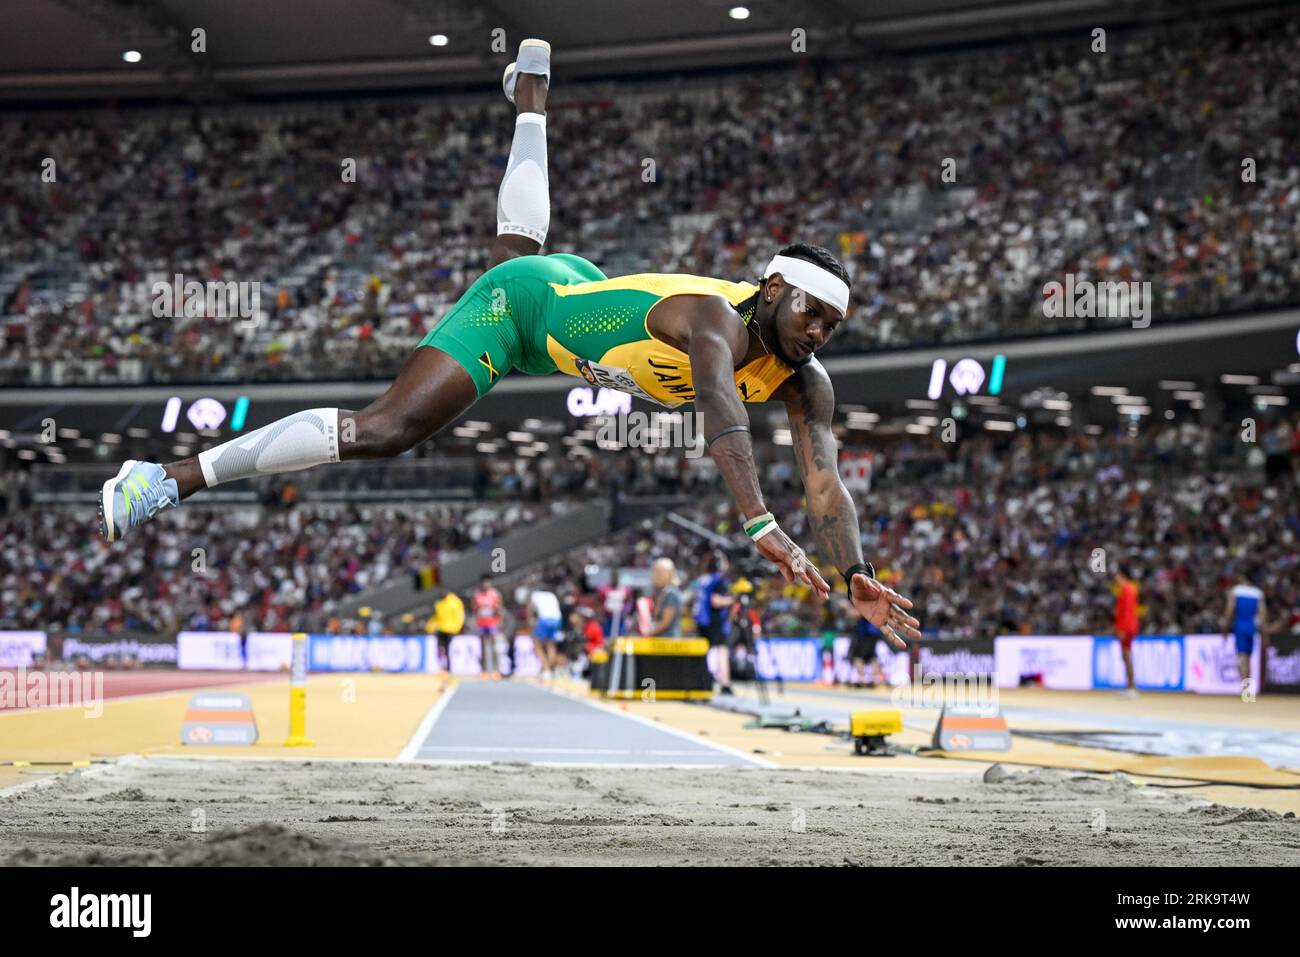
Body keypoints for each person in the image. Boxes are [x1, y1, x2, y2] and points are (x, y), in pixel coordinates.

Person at [97, 37, 921, 651]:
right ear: (772, 287)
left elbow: (827, 488)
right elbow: (719, 418)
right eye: (812, 313)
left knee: (518, 241)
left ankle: (530, 98)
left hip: (582, 299)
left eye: (832, 328)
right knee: (387, 430)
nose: (818, 335)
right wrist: (756, 526)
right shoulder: (715, 319)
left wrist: (853, 572)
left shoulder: (805, 380)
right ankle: (166, 477)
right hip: (526, 314)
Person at [695, 553, 736, 694]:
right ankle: (725, 683)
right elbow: (716, 601)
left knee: (706, 650)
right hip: (714, 620)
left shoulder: (703, 579)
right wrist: (733, 600)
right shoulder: (718, 580)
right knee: (722, 650)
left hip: (702, 620)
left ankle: (703, 680)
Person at [1223, 570, 1266, 697]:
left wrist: (1225, 628)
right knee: (1248, 658)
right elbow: (1263, 613)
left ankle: (1245, 689)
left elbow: (1229, 611)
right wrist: (1263, 631)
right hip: (1251, 627)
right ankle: (1248, 688)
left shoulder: (1235, 591)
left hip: (1240, 626)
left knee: (1242, 658)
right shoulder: (1258, 593)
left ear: (1242, 577)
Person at [1113, 567, 1140, 698]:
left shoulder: (1127, 590)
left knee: (1127, 656)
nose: (1116, 579)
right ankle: (1129, 686)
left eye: (1117, 576)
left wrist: (1122, 629)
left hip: (1127, 627)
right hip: (1127, 626)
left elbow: (1128, 611)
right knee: (1125, 656)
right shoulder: (1128, 589)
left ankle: (1131, 687)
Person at [527, 584, 563, 680]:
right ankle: (549, 670)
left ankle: (546, 670)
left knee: (537, 646)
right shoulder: (552, 595)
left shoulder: (534, 595)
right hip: (556, 620)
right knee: (551, 645)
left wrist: (530, 622)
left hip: (544, 620)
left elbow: (530, 611)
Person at [473, 574, 505, 678]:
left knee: (494, 647)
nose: (486, 584)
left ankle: (496, 670)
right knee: (483, 647)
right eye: (484, 582)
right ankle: (484, 670)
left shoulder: (495, 594)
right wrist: (476, 621)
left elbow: (499, 609)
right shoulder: (477, 595)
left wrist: (500, 622)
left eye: (488, 582)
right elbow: (475, 610)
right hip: (482, 624)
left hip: (493, 623)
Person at [646, 557, 685, 637]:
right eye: (656, 572)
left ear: (670, 574)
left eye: (661, 573)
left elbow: (665, 622)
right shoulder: (663, 592)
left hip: (668, 642)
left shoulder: (671, 593)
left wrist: (649, 634)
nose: (657, 576)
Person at [431, 589, 465, 674]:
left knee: (449, 650)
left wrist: (457, 628)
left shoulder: (455, 602)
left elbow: (459, 616)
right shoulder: (439, 603)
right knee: (441, 649)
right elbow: (436, 616)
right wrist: (431, 626)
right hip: (441, 629)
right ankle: (442, 667)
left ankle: (449, 669)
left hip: (451, 630)